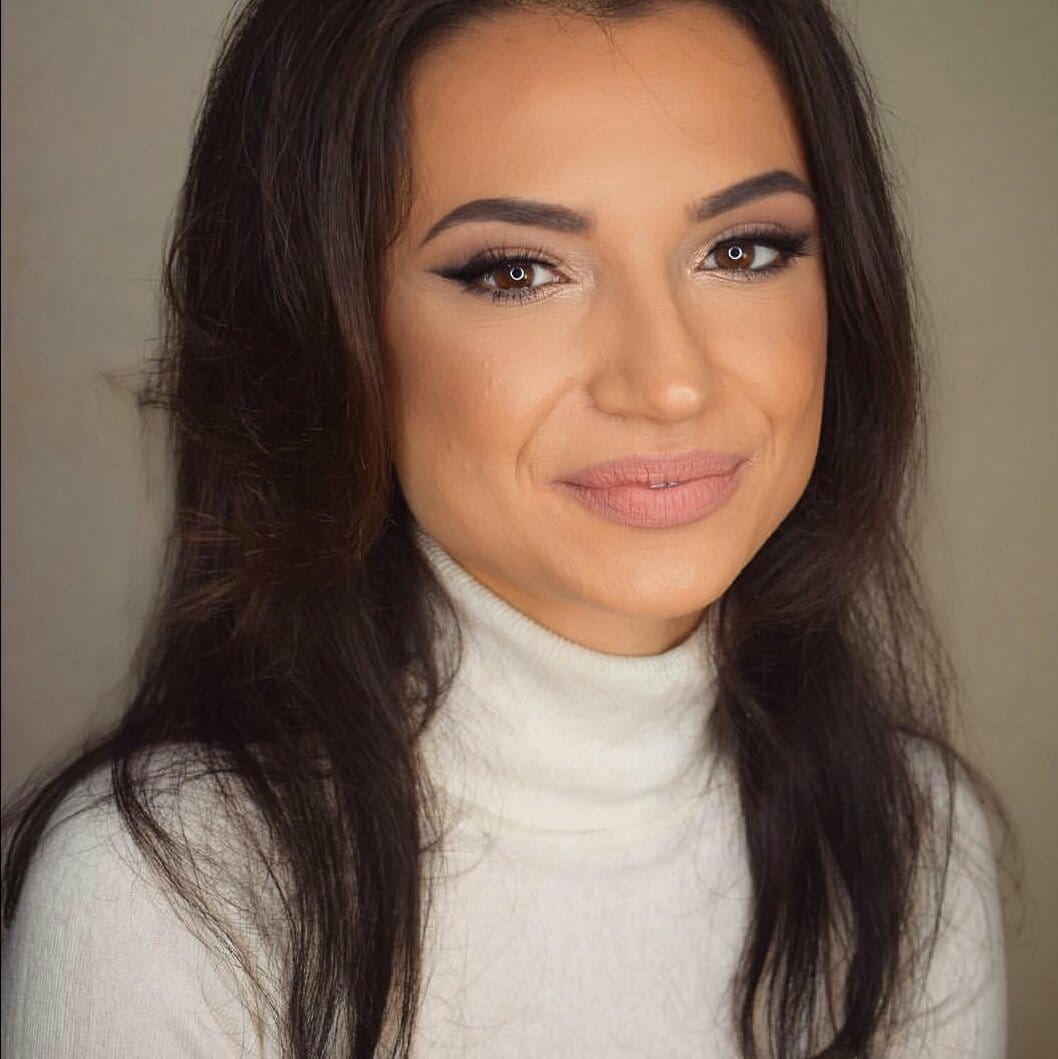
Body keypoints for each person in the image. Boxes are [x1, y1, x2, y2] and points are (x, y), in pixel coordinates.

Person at [0, 1, 1008, 1056]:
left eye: (743, 250)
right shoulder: (164, 896)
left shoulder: (913, 842)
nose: (668, 381)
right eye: (517, 271)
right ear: (324, 328)